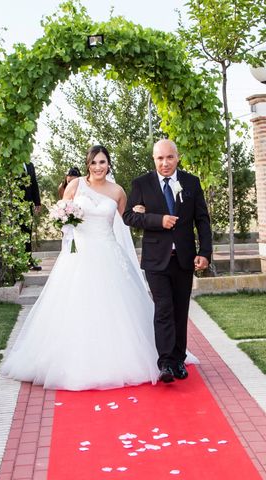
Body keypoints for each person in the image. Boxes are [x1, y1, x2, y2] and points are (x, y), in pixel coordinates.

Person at [1, 145, 160, 391]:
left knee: (114, 307)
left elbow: (127, 219)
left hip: (109, 253)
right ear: (88, 164)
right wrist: (65, 221)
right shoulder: (76, 186)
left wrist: (143, 210)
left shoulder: (118, 191)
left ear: (109, 164)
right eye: (94, 162)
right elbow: (60, 214)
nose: (98, 167)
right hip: (79, 255)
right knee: (76, 304)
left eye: (103, 162)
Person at [123, 139, 212, 383]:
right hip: (155, 260)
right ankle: (165, 363)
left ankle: (178, 360)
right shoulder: (141, 184)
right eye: (159, 158)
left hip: (184, 258)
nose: (165, 163)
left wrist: (204, 252)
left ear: (177, 157)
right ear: (154, 159)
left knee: (180, 310)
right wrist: (157, 220)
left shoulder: (191, 183)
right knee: (163, 309)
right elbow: (128, 216)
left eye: (169, 157)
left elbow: (202, 220)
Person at [22, 160, 42, 270]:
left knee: (27, 232)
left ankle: (28, 261)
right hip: (12, 206)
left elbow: (34, 183)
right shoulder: (10, 163)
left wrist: (37, 202)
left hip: (27, 204)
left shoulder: (29, 165)